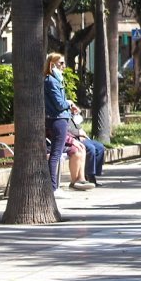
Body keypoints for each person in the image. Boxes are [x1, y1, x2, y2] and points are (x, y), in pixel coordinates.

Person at [43, 53, 94, 192]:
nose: (64, 66)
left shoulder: (56, 80)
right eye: (61, 63)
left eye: (64, 63)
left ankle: (75, 181)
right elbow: (59, 104)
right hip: (57, 120)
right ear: (52, 65)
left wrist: (68, 106)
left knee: (58, 153)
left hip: (60, 119)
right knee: (56, 155)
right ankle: (53, 188)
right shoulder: (51, 81)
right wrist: (69, 103)